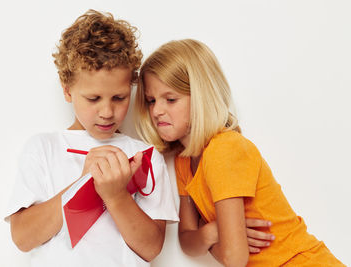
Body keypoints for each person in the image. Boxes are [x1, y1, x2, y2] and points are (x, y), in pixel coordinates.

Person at [134, 39, 345, 266]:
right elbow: (187, 242)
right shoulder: (184, 160)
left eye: (171, 99)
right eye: (151, 101)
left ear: (203, 96)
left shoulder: (223, 149)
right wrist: (214, 231)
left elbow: (234, 258)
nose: (157, 111)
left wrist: (218, 238)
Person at [4, 10, 179, 267]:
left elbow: (152, 249)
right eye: (93, 99)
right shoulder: (43, 149)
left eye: (119, 98)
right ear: (67, 90)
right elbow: (22, 238)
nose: (107, 112)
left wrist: (116, 195)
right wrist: (82, 183)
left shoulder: (145, 156)